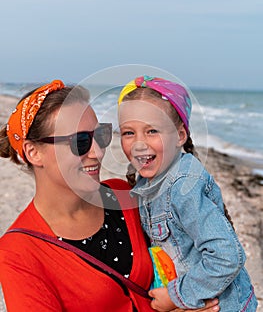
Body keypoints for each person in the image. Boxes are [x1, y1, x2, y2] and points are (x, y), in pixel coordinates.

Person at [0, 79, 220, 312]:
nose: (98, 152)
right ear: (33, 153)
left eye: (101, 135)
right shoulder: (18, 253)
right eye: (80, 142)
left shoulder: (123, 195)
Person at [118, 75, 258, 312]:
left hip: (220, 306)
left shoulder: (183, 186)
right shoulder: (150, 178)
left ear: (180, 136)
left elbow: (227, 257)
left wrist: (176, 296)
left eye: (152, 131)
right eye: (128, 133)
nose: (139, 143)